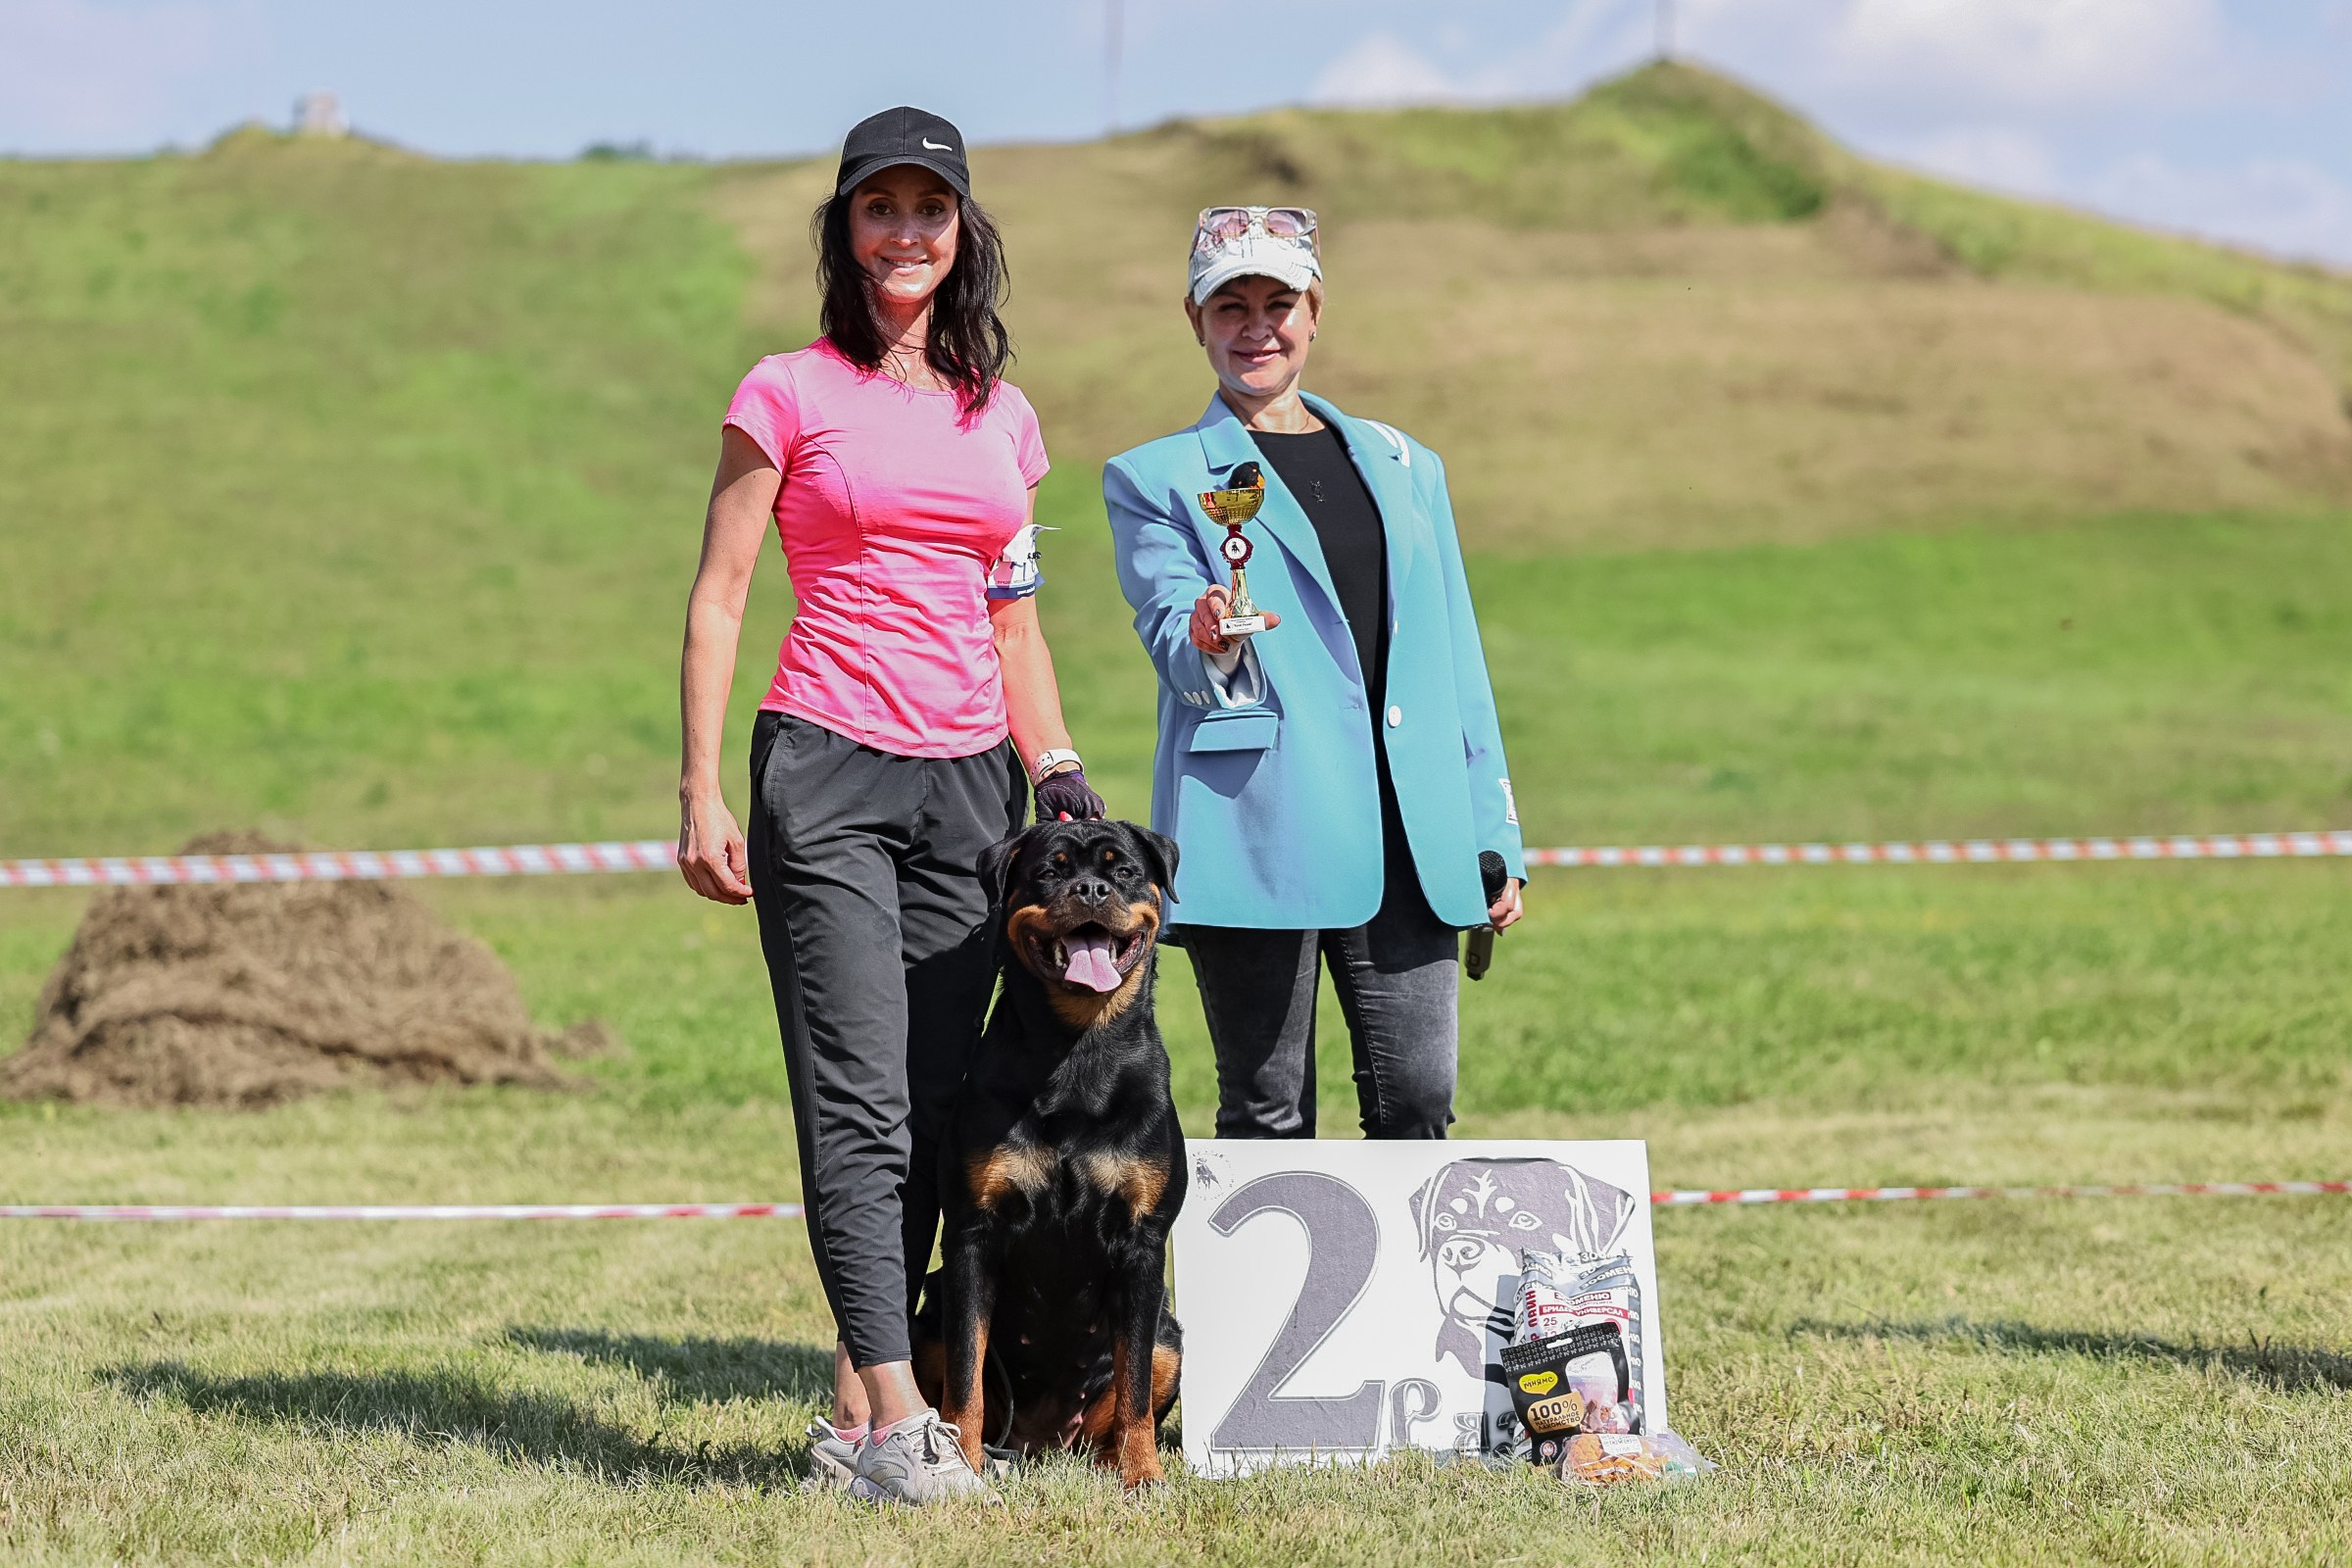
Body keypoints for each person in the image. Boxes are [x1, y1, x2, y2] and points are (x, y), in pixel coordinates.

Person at [675, 106, 1102, 1506]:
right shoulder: (787, 391)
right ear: (845, 232)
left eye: (931, 208)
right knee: (855, 1099)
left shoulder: (1005, 416)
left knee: (931, 1104)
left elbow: (1016, 626)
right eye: (880, 208)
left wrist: (1057, 772)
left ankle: (857, 1403)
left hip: (971, 790)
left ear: (962, 230)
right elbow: (723, 594)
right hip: (829, 770)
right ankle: (901, 1423)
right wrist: (698, 786)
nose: (906, 231)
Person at [1103, 206, 1525, 1143]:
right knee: (1265, 1111)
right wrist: (1207, 631)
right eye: (1230, 307)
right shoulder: (1153, 476)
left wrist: (1492, 829)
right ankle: (1255, 1297)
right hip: (1256, 824)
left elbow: (1456, 657)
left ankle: (1412, 1295)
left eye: (1278, 302)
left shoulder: (1408, 465)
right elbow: (1171, 635)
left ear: (1316, 310)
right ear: (1195, 320)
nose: (1257, 327)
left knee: (1418, 1100)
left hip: (1413, 833)